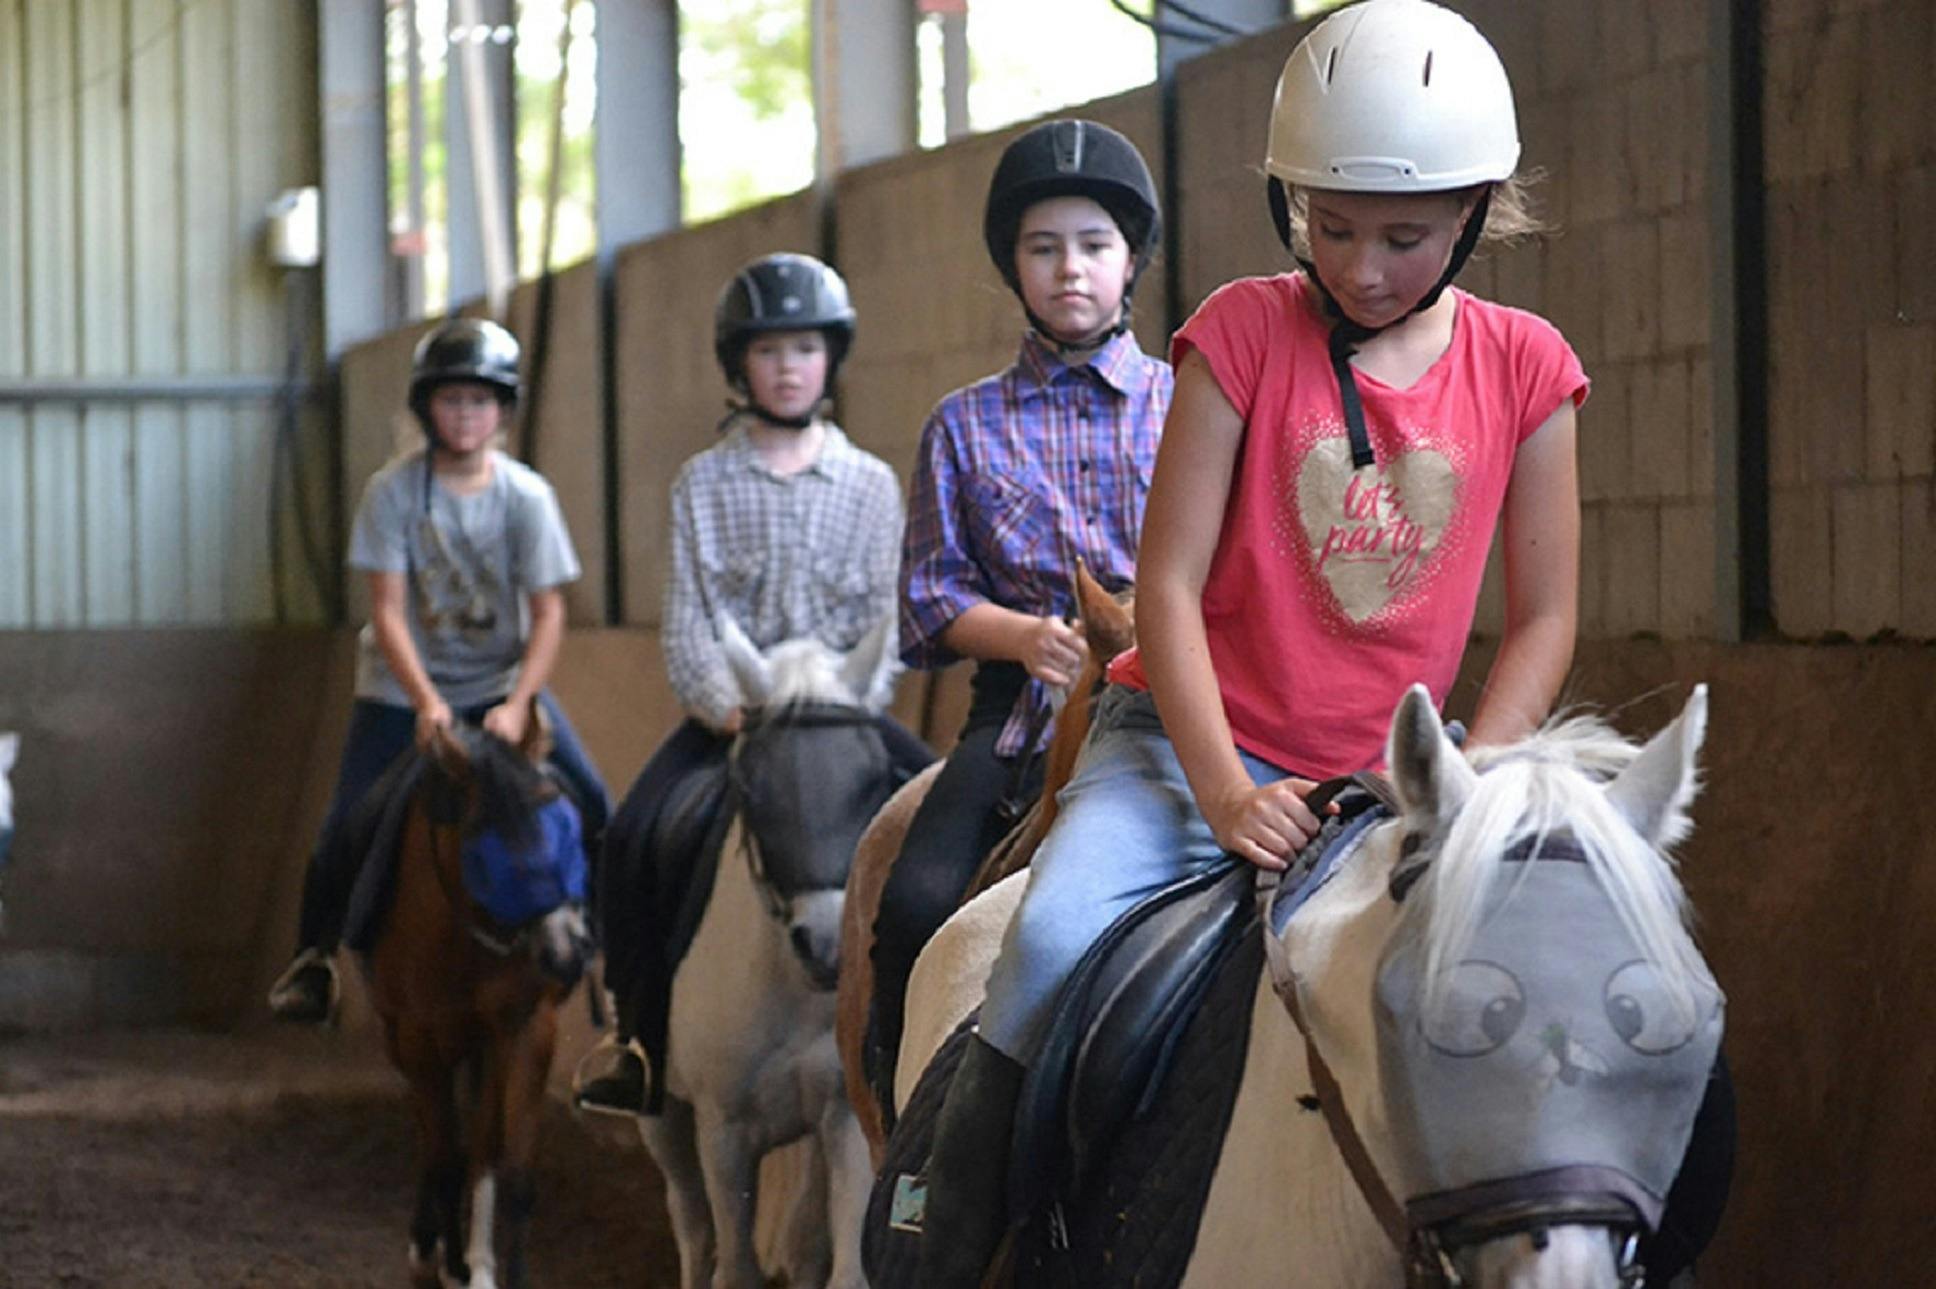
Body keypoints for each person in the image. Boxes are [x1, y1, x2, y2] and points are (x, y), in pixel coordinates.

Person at [916, 4, 1591, 1282]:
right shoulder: (1235, 333)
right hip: (1180, 750)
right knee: (1052, 937)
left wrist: (1466, 783)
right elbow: (1163, 585)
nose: (1363, 266)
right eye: (1327, 228)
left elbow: (1545, 616)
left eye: (1402, 236)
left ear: (1473, 212)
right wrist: (1221, 788)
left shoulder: (1529, 366)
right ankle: (940, 1240)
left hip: (1397, 772)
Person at [575, 252, 931, 1116]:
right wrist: (723, 706)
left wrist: (850, 702)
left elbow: (886, 623)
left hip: (841, 721)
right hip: (737, 719)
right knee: (633, 835)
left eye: (805, 349)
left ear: (829, 359)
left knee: (937, 827)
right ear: (740, 365)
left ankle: (918, 1039)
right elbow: (690, 621)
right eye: (769, 352)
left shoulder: (871, 486)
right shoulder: (704, 483)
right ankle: (640, 1037)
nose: (787, 367)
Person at [866, 119, 1173, 1108]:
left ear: (1130, 261)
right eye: (1043, 249)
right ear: (1014, 267)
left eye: (1091, 245)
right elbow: (927, 594)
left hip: (1175, 697)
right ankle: (897, 1117)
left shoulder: (1187, 402)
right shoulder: (962, 423)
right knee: (912, 903)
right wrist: (1021, 634)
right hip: (1018, 706)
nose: (1069, 269)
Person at [267, 317, 611, 1023]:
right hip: (401, 694)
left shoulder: (526, 497)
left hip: (499, 693)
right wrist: (426, 700)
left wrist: (520, 702)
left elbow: (549, 612)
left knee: (595, 801)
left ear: (501, 410)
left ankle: (605, 951)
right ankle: (315, 959)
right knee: (341, 827)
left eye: (480, 401)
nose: (466, 415)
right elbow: (388, 610)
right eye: (452, 400)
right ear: (428, 407)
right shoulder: (391, 494)